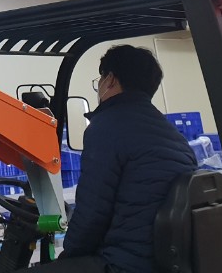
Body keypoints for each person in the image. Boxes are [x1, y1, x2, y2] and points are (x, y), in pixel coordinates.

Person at [52, 45, 197, 273]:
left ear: (110, 79)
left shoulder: (107, 126)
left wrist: (67, 257)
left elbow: (92, 214)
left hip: (122, 264)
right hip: (161, 262)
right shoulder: (172, 135)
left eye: (100, 79)